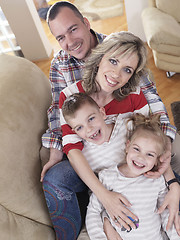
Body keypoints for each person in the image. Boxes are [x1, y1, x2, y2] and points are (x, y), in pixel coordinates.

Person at [40, 1, 179, 239]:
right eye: (60, 37)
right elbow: (61, 119)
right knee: (56, 178)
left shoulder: (132, 86)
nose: (116, 74)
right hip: (97, 166)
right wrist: (103, 196)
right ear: (100, 59)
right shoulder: (71, 92)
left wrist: (171, 182)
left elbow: (154, 125)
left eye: (73, 29)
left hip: (135, 158)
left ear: (86, 23)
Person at [85, 113, 180, 240]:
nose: (141, 158)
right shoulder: (107, 177)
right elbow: (93, 212)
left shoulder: (157, 181)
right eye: (136, 149)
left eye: (150, 155)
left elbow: (166, 214)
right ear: (127, 146)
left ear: (157, 160)